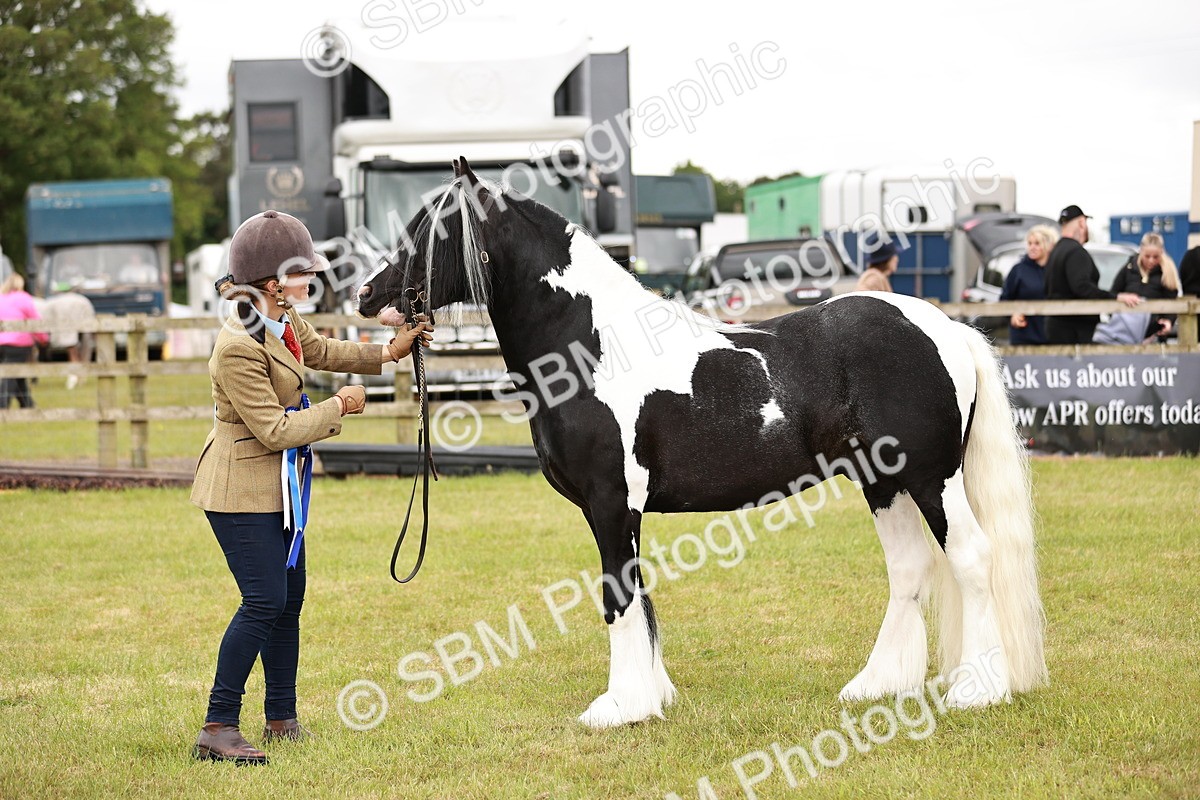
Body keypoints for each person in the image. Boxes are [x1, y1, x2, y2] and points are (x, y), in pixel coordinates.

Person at [190, 210, 432, 765]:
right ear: (275, 282)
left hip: (277, 487)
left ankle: (281, 717)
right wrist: (337, 405)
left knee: (289, 599)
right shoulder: (237, 347)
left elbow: (321, 351)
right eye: (303, 273)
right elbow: (274, 430)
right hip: (238, 489)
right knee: (263, 601)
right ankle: (218, 724)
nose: (311, 280)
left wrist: (390, 352)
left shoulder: (279, 317)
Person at [1043, 204, 1142, 343]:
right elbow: (1082, 287)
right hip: (1076, 331)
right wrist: (1116, 297)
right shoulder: (1076, 252)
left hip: (1055, 326)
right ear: (1081, 222)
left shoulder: (1055, 251)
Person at [1105, 232, 1180, 341]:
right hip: (1127, 331)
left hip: (1154, 333)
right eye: (1147, 256)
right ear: (1141, 252)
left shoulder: (1168, 273)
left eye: (1156, 257)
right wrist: (1123, 299)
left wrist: (1168, 321)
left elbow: (1172, 303)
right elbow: (1114, 293)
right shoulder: (1129, 269)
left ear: (1162, 253)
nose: (1151, 260)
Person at [1000, 224, 1058, 345]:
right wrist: (1012, 315)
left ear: (1048, 246)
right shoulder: (1018, 270)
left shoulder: (1057, 270)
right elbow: (1004, 299)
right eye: (1029, 243)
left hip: (1053, 338)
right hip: (1024, 337)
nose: (1032, 247)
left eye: (1037, 243)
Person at [0, 273, 50, 409]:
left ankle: (27, 404)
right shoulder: (24, 298)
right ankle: (2, 404)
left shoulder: (1, 298)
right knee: (11, 374)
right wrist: (44, 338)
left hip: (1, 344)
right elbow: (35, 321)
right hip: (18, 344)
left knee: (18, 374)